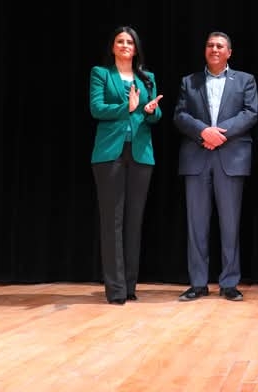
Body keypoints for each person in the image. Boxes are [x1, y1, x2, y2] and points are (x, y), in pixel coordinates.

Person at [173, 31, 258, 302]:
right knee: (196, 225)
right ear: (205, 50)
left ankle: (229, 283)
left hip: (230, 158)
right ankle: (198, 284)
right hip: (197, 158)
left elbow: (250, 113)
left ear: (229, 52)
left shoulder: (245, 80)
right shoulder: (189, 81)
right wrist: (203, 132)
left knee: (230, 225)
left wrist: (219, 133)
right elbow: (180, 115)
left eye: (220, 46)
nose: (215, 49)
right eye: (210, 45)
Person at [89, 25, 164, 305]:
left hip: (141, 153)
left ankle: (130, 286)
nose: (124, 46)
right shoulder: (101, 74)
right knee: (113, 222)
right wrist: (127, 108)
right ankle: (115, 289)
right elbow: (96, 108)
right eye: (120, 41)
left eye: (129, 42)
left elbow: (155, 115)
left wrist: (151, 111)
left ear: (135, 48)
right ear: (113, 47)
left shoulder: (147, 78)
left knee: (134, 221)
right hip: (109, 154)